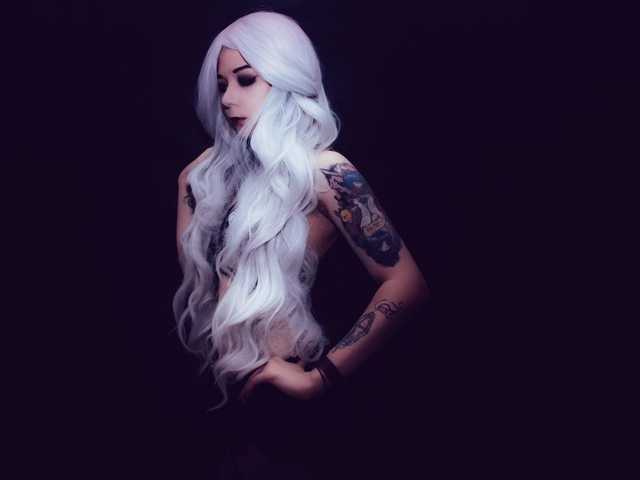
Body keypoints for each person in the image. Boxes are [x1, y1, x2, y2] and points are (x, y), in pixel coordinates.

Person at [174, 10, 430, 479]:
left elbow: (407, 284)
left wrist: (320, 378)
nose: (228, 99)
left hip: (281, 406)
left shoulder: (324, 171)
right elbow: (202, 288)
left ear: (286, 78)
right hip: (214, 400)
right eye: (222, 85)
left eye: (246, 80)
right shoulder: (207, 178)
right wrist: (188, 187)